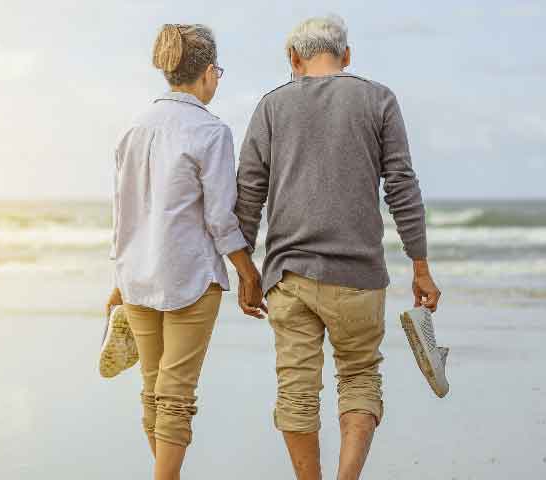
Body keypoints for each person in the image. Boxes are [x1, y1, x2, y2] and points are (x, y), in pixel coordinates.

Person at [234, 15, 442, 480]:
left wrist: (246, 268)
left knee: (296, 391)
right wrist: (420, 265)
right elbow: (402, 187)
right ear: (347, 57)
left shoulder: (271, 106)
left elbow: (248, 190)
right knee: (360, 378)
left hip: (289, 276)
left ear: (293, 59)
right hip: (359, 277)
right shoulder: (378, 99)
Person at [105, 23, 265, 480]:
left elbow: (123, 214)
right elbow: (219, 217)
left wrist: (117, 280)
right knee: (175, 394)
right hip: (190, 277)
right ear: (209, 73)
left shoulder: (132, 128)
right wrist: (246, 271)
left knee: (153, 388)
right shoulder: (210, 131)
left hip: (136, 274)